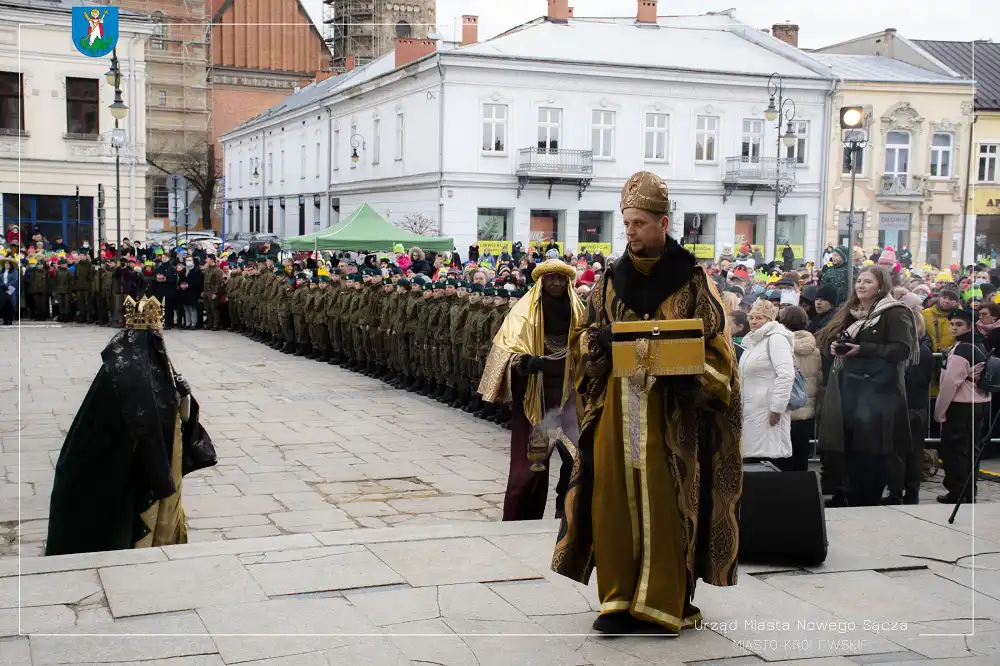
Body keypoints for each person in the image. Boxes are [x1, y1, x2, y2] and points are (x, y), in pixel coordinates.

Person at [553, 171, 742, 636]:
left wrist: (687, 372)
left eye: (639, 223)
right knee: (611, 501)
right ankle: (617, 600)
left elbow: (720, 351)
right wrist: (594, 346)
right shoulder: (609, 282)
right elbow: (582, 342)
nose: (631, 232)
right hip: (616, 411)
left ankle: (661, 604)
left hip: (671, 415)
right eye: (627, 223)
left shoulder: (693, 281)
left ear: (664, 223)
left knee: (666, 502)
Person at [45, 295, 214, 555]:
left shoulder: (118, 368)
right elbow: (157, 420)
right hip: (128, 467)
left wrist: (183, 396)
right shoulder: (140, 375)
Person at [479, 259, 584, 521]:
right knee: (528, 471)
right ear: (541, 281)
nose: (557, 283)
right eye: (551, 278)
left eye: (561, 278)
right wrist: (525, 362)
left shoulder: (578, 312)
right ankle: (519, 521)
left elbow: (588, 346)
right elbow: (506, 352)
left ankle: (567, 511)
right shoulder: (523, 312)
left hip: (569, 402)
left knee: (578, 461)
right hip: (535, 401)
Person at [817, 266, 916, 507]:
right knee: (848, 447)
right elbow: (830, 338)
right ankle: (849, 495)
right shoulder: (852, 313)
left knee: (873, 451)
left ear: (881, 286)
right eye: (858, 281)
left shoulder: (894, 312)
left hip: (878, 392)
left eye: (867, 282)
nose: (860, 285)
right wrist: (835, 346)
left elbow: (903, 349)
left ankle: (868, 500)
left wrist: (863, 350)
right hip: (848, 387)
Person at [934, 309, 990, 504]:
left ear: (969, 326)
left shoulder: (962, 348)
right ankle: (968, 490)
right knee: (971, 450)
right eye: (952, 324)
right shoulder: (979, 345)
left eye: (959, 324)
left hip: (961, 405)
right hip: (980, 403)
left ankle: (957, 491)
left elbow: (950, 383)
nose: (954, 327)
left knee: (955, 451)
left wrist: (939, 412)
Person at [739, 299, 795, 462]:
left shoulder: (776, 339)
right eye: (752, 318)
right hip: (751, 411)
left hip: (767, 411)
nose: (754, 322)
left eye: (759, 318)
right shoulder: (754, 342)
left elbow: (785, 374)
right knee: (753, 459)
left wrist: (777, 408)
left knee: (765, 460)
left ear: (769, 320)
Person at [779, 305, 822, 472]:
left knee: (784, 460)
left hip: (785, 410)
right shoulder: (815, 349)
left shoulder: (780, 345)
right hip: (807, 411)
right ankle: (802, 494)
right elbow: (819, 378)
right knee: (801, 459)